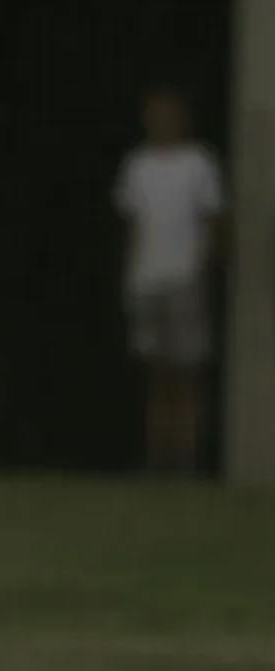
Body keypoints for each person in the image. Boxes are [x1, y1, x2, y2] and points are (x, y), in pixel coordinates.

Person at [113, 88, 225, 474]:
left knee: (187, 377)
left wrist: (199, 268)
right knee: (157, 379)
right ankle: (157, 463)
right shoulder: (137, 165)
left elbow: (213, 223)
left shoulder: (199, 163)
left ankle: (187, 463)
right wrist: (130, 277)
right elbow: (133, 228)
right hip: (147, 281)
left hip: (183, 280)